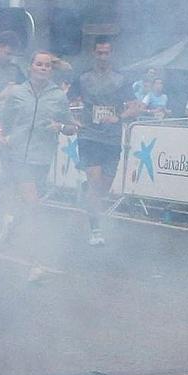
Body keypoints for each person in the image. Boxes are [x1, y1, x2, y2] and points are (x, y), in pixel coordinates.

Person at [0, 49, 71, 282]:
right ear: (31, 67)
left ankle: (11, 222)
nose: (43, 68)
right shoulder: (17, 92)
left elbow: (71, 126)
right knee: (34, 207)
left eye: (47, 65)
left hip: (42, 158)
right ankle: (35, 264)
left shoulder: (58, 96)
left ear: (51, 70)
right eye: (39, 64)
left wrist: (60, 127)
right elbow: (0, 118)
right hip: (17, 156)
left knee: (26, 205)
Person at [68, 38, 131, 246]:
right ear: (94, 54)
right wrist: (74, 121)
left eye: (106, 53)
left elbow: (136, 106)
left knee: (102, 189)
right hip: (89, 136)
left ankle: (85, 191)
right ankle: (95, 229)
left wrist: (119, 118)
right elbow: (67, 100)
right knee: (96, 184)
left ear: (112, 54)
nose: (103, 57)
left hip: (112, 138)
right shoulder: (83, 77)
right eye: (99, 53)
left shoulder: (121, 79)